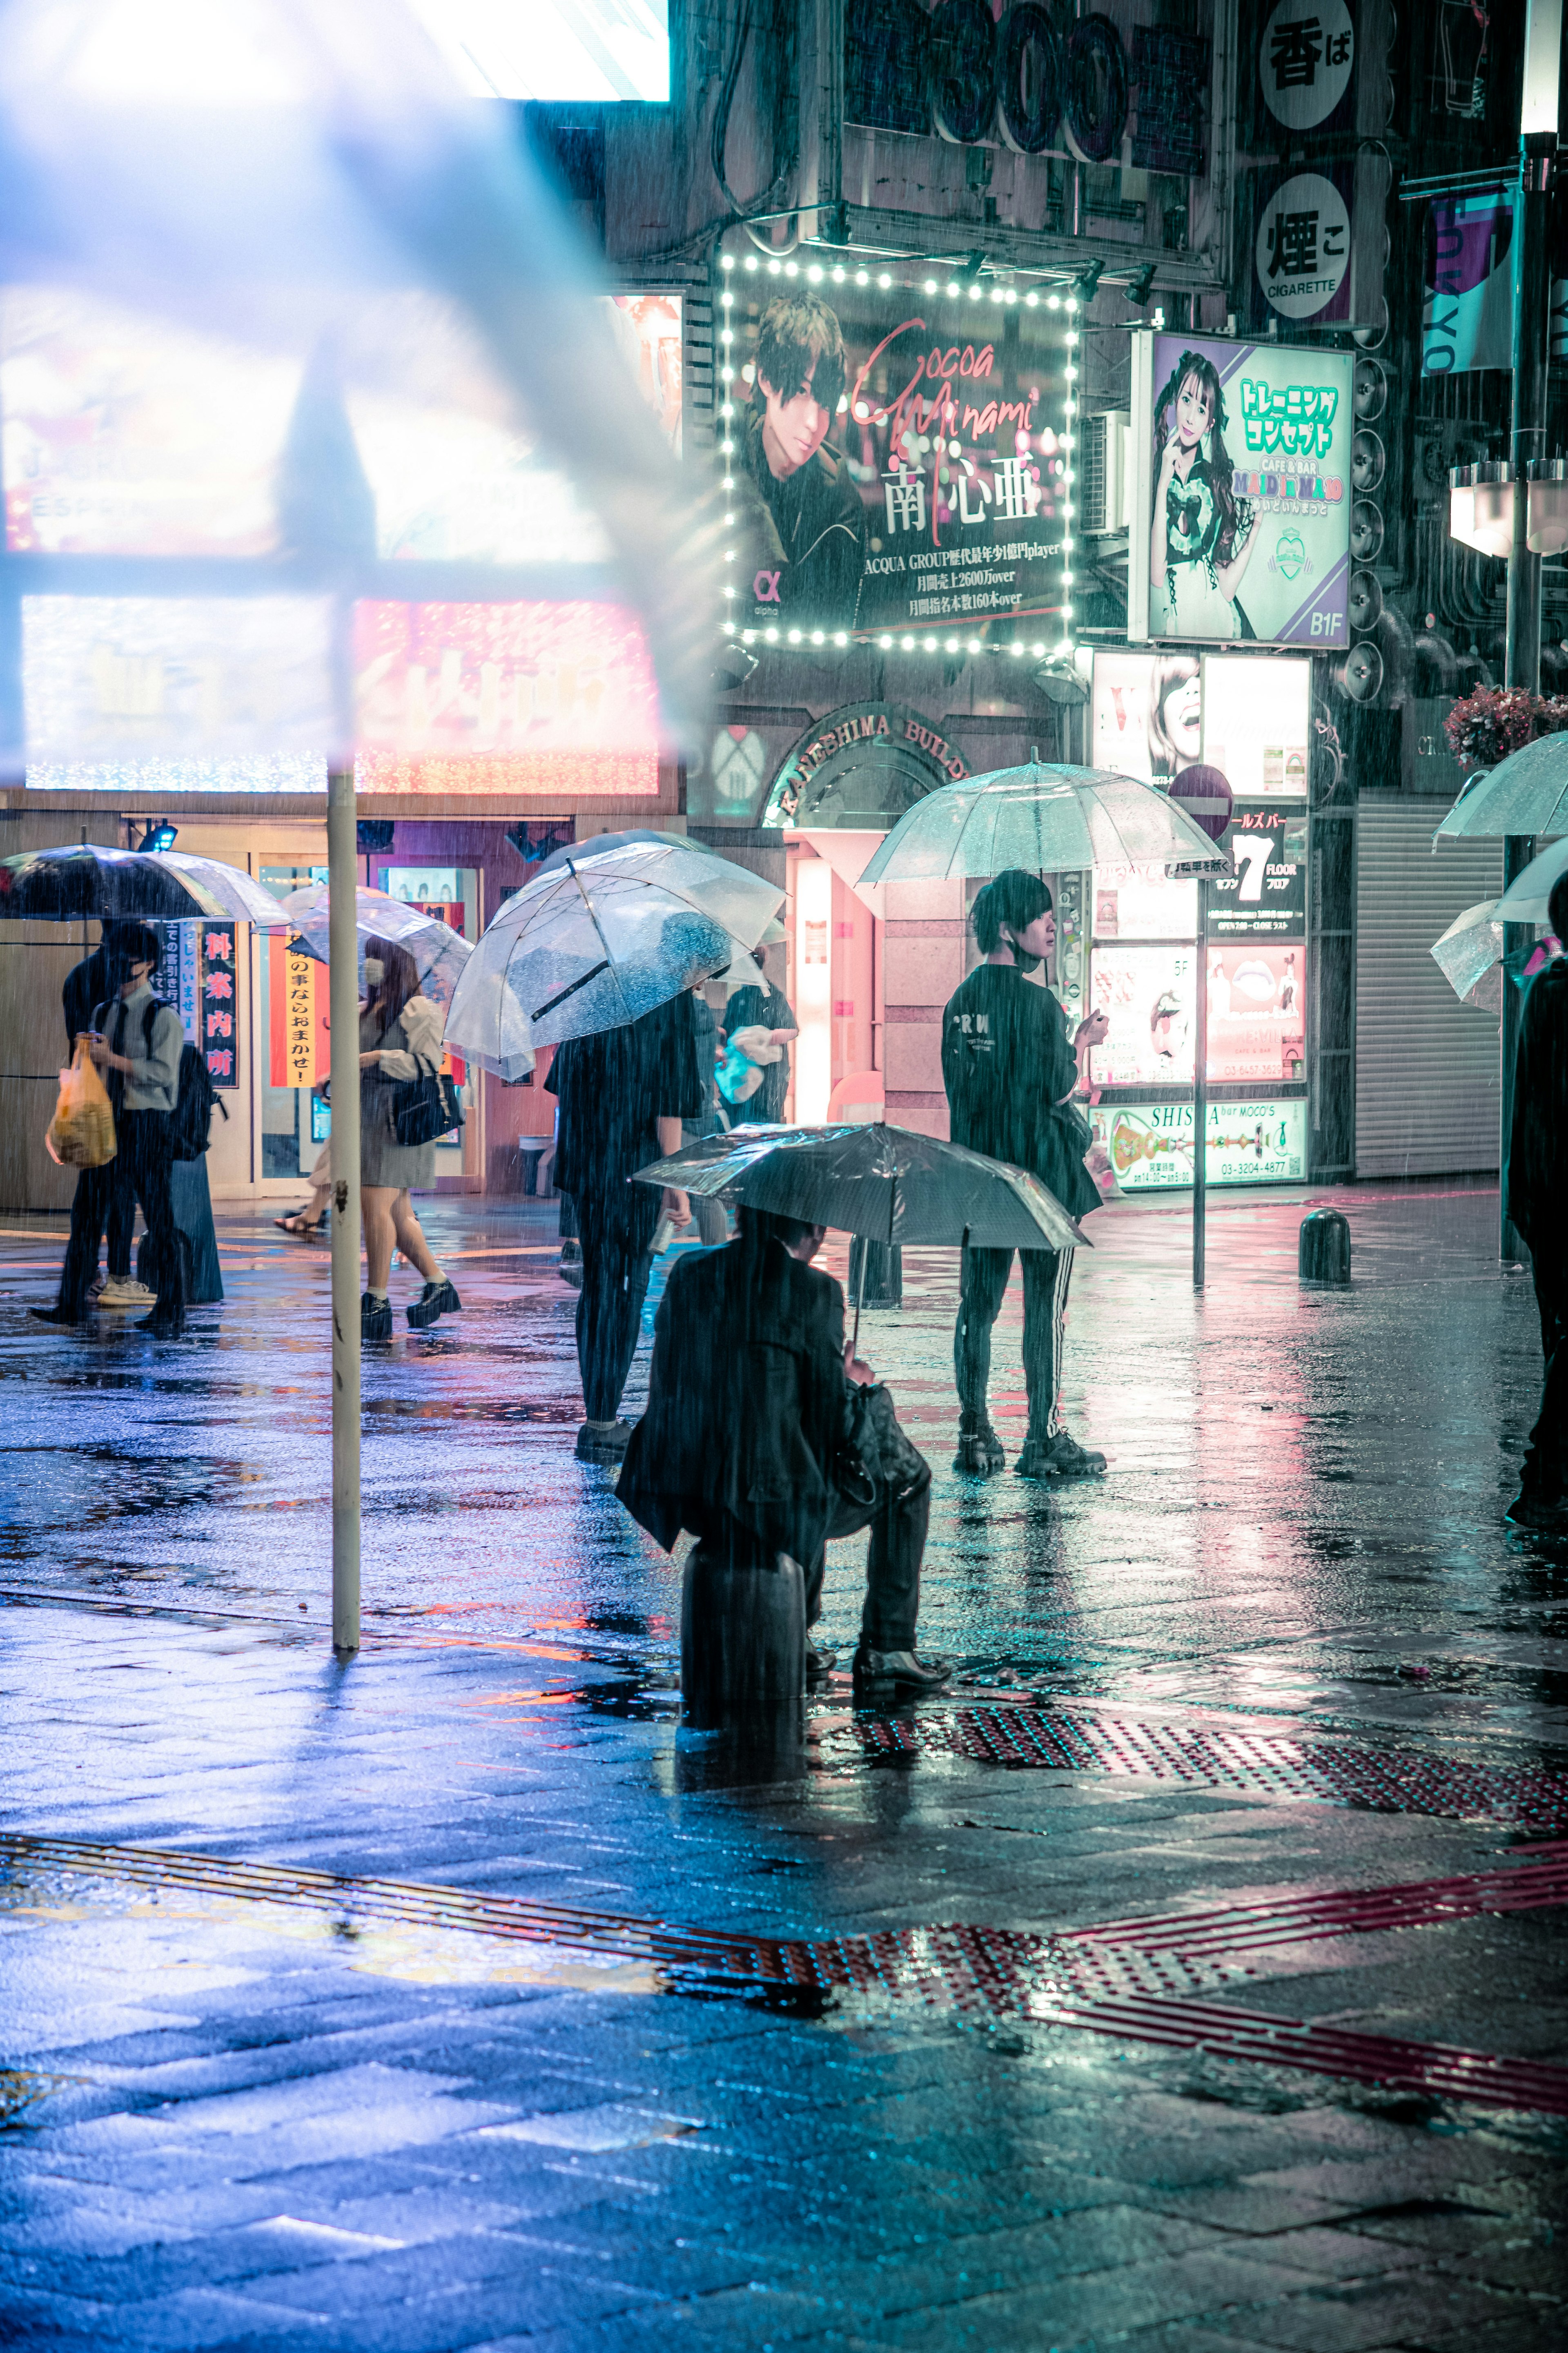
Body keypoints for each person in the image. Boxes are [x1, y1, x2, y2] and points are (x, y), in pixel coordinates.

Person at [618, 1203, 950, 1692]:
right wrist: (855, 1385)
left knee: (786, 1446)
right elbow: (827, 1423)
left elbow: (670, 1380)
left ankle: (799, 1630)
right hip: (765, 1497)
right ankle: (888, 1645)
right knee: (904, 1477)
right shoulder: (816, 1292)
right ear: (815, 1227)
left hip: (684, 1487)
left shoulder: (690, 1272)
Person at [942, 871, 1108, 1479]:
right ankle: (1044, 1436)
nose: (1051, 927)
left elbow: (964, 1093)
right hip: (1042, 1183)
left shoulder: (960, 1004)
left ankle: (975, 1430)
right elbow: (1057, 1088)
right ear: (1009, 930)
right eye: (1041, 918)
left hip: (981, 1178)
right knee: (1045, 1308)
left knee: (977, 1306)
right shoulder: (1041, 1006)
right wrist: (1081, 1043)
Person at [545, 915, 729, 1464]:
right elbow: (668, 1103)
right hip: (636, 1166)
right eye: (706, 972)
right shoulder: (669, 999)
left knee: (599, 1285)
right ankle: (604, 1425)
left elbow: (563, 1084)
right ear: (692, 960)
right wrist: (675, 1181)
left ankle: (595, 1415)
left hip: (586, 1163)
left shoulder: (598, 987)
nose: (703, 983)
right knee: (627, 1285)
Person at [33, 923, 185, 1336]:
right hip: (107, 1122)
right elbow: (96, 1072)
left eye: (128, 958)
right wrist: (87, 1056)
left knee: (158, 1216)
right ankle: (70, 1304)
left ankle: (172, 1309)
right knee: (86, 1215)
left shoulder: (162, 1014)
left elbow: (164, 1074)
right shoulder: (104, 1010)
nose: (119, 965)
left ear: (149, 964)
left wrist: (113, 1058)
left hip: (147, 1125)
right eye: (114, 956)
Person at [737, 291, 866, 626]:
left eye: (825, 402)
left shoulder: (840, 502)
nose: (814, 422)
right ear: (765, 378)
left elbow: (835, 631)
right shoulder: (723, 458)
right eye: (801, 392)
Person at [1504, 874, 1568, 1530]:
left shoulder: (1544, 992)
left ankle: (1549, 1482)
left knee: (1563, 1339)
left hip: (1545, 1198)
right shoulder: (1558, 993)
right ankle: (1542, 1482)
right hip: (1561, 1198)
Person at [358, 936, 461, 1340]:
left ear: (394, 963)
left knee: (374, 1205)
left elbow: (425, 1064)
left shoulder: (419, 1009)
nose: (369, 965)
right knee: (398, 1213)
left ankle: (377, 1299)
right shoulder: (368, 1008)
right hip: (368, 1118)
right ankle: (438, 1285)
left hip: (399, 1119)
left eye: (375, 958)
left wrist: (377, 1058)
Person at [1149, 350, 1258, 640]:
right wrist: (1163, 482)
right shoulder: (1154, 471)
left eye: (1201, 409)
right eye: (1186, 400)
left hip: (1214, 615)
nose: (1190, 417)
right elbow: (1157, 575)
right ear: (1175, 401)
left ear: (1210, 423)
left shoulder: (1216, 479)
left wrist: (1255, 531)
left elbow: (1226, 586)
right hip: (1173, 616)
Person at [61, 923, 143, 1306]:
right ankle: (118, 1276)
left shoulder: (79, 974)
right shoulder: (120, 978)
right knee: (121, 1194)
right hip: (118, 1103)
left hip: (87, 1101)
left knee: (91, 1193)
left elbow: (76, 1040)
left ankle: (83, 1274)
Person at [724, 955, 797, 1124]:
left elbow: (791, 1030)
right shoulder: (738, 998)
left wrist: (763, 1038)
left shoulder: (773, 996)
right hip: (743, 1077)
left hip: (767, 1080)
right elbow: (728, 1034)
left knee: (756, 1127)